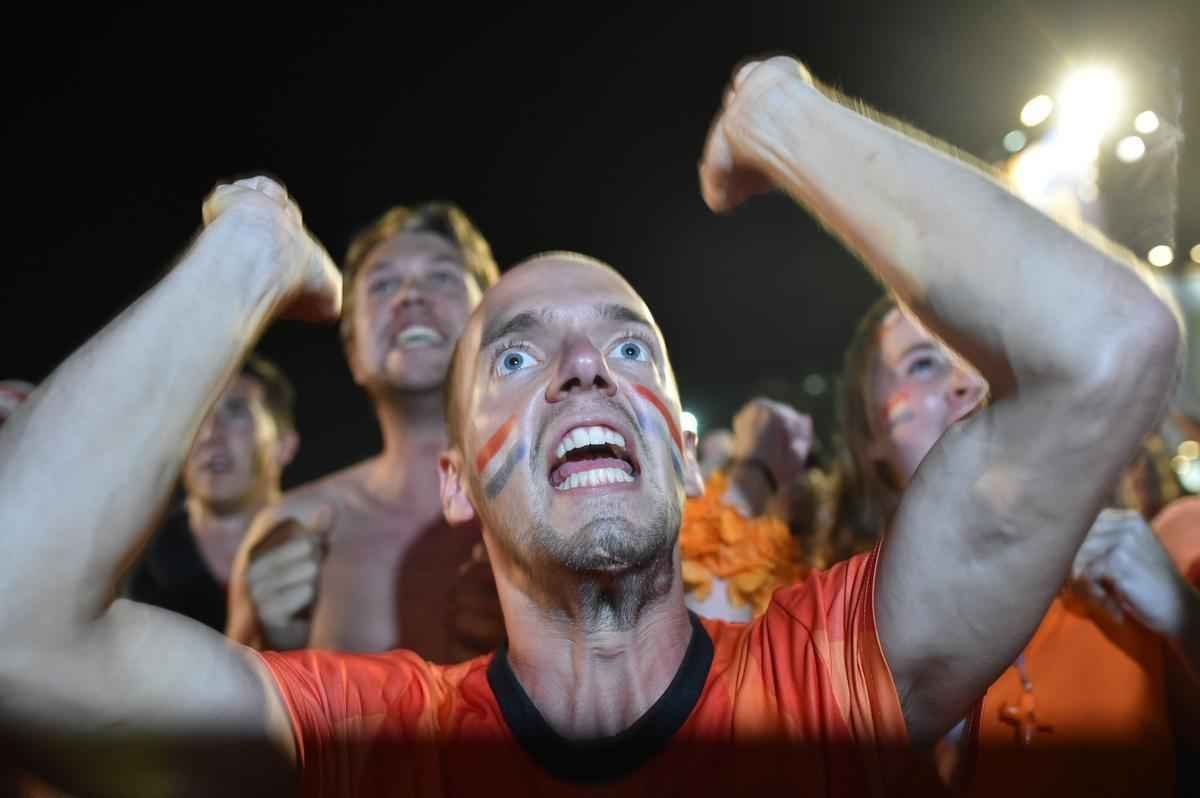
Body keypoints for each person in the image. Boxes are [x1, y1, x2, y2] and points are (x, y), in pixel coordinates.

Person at [0, 54, 1181, 797]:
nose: (582, 372)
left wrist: (786, 116)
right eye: (517, 356)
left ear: (681, 443)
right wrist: (243, 257)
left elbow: (1110, 344)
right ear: (457, 482)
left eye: (629, 350)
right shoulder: (371, 739)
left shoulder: (828, 676)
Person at [833, 294, 1200, 796]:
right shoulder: (836, 638)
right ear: (869, 433)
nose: (968, 381)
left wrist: (1185, 617)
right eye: (923, 364)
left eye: (979, 355)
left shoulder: (1160, 559)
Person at [224, 202, 505, 662]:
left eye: (441, 277)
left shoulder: (562, 505)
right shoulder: (291, 530)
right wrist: (273, 646)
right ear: (354, 353)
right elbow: (222, 705)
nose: (410, 296)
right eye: (383, 284)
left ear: (494, 328)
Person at [125, 356, 299, 632]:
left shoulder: (334, 554)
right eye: (196, 416)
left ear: (284, 446)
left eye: (236, 411)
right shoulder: (127, 565)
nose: (209, 434)